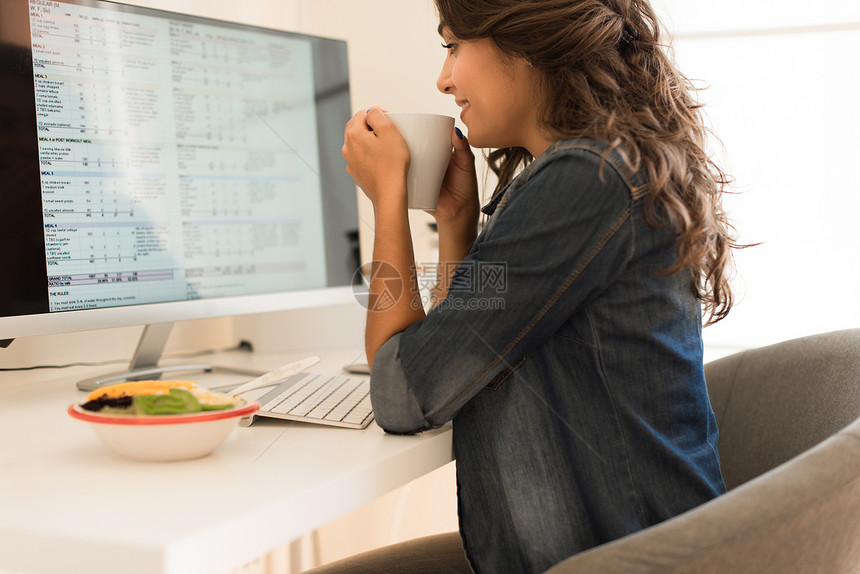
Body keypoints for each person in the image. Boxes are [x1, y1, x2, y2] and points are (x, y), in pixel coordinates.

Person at [335, 0, 739, 572]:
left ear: (525, 44)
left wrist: (390, 202)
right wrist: (456, 223)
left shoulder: (585, 178)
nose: (443, 79)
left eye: (453, 47)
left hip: (622, 558)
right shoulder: (592, 166)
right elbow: (454, 361)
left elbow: (401, 391)